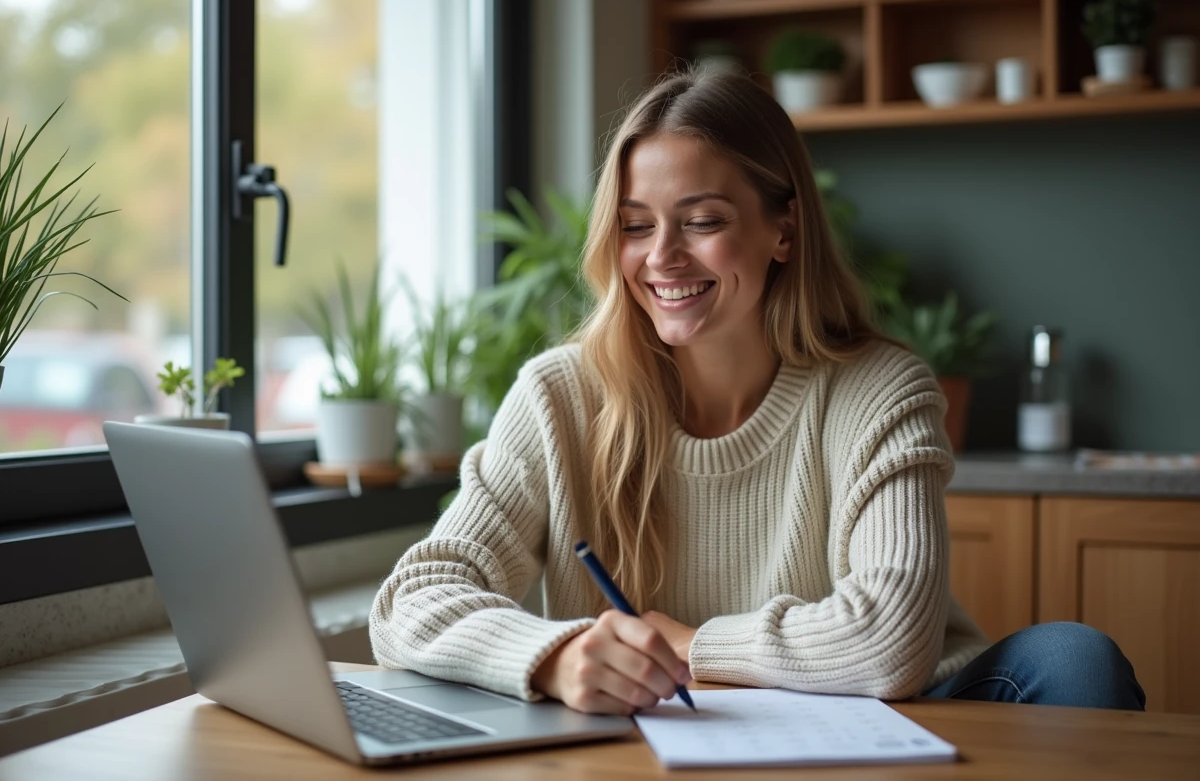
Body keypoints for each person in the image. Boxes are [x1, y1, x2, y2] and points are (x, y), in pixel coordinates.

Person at [369, 70, 1144, 715]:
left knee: (1076, 663)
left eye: (701, 220)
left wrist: (686, 643)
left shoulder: (879, 389)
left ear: (784, 230)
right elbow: (409, 601)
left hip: (878, 719)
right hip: (664, 733)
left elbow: (891, 639)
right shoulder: (559, 397)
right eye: (636, 227)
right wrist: (555, 656)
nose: (662, 258)